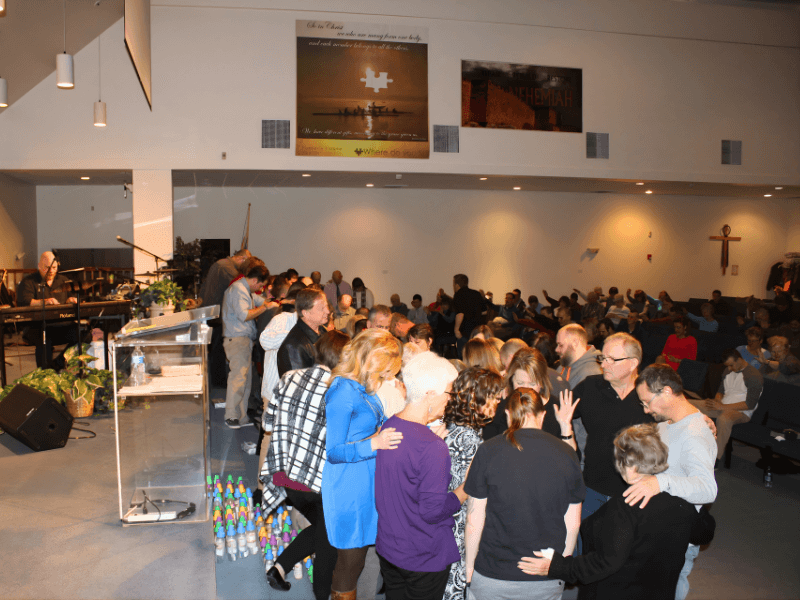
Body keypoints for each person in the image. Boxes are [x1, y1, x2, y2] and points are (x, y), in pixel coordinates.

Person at [519, 423, 698, 600]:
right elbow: (703, 533)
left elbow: (606, 562)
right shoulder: (682, 501)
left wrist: (557, 566)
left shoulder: (624, 507)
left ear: (631, 466)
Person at [464, 388, 585, 600]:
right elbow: (573, 523)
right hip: (544, 574)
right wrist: (561, 566)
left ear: (508, 414)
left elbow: (474, 519)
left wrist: (470, 568)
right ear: (543, 415)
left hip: (493, 572)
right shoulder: (568, 454)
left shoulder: (488, 450)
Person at [260, 330, 350, 599]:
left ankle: (279, 567)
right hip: (319, 483)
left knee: (324, 530)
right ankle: (321, 594)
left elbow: (266, 424)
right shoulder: (340, 391)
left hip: (286, 478)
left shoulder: (289, 377)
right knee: (329, 540)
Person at [375, 352, 468, 600]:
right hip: (422, 554)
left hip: (390, 546)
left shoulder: (390, 425)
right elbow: (433, 511)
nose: (450, 400)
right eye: (448, 393)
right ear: (430, 394)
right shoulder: (432, 448)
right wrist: (465, 489)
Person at [322, 328, 404, 600]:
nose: (388, 376)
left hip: (367, 477)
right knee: (350, 561)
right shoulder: (342, 391)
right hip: (348, 483)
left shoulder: (362, 387)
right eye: (386, 370)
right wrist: (375, 444)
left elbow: (371, 427)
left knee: (362, 554)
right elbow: (334, 451)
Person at [625, 364, 717, 600]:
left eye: (646, 402)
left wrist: (660, 482)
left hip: (679, 537)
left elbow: (707, 490)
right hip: (662, 527)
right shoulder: (668, 421)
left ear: (666, 392)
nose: (645, 410)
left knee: (671, 590)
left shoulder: (695, 433)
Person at [441, 367, 504, 600]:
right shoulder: (471, 440)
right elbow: (466, 491)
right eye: (494, 397)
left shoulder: (450, 426)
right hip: (456, 528)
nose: (498, 402)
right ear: (475, 398)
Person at [484, 347, 578, 449]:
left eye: (532, 384)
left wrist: (566, 429)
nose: (526, 389)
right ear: (511, 380)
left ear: (542, 382)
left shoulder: (558, 409)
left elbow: (572, 457)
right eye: (520, 383)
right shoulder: (500, 409)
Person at [690, 348, 763, 467]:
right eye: (727, 366)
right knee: (688, 403)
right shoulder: (727, 370)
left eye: (731, 365)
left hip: (742, 412)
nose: (729, 368)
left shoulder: (754, 375)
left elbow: (750, 404)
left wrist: (722, 406)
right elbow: (721, 391)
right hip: (722, 405)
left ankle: (716, 458)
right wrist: (717, 401)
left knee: (724, 419)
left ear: (739, 360)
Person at [221, 264, 269, 429]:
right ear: (255, 280)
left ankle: (241, 417)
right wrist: (264, 308)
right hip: (237, 339)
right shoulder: (238, 289)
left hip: (243, 340)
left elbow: (259, 300)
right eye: (260, 285)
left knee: (245, 380)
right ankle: (231, 415)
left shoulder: (245, 289)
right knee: (238, 379)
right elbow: (244, 315)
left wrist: (273, 302)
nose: (260, 289)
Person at [199, 249, 252, 387]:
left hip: (212, 311)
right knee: (218, 350)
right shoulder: (226, 267)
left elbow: (204, 286)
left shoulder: (220, 264)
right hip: (217, 313)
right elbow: (242, 284)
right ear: (242, 259)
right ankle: (219, 383)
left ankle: (217, 381)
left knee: (216, 350)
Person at [17, 251, 78, 368]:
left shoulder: (63, 280)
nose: (51, 271)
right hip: (37, 326)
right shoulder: (29, 281)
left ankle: (58, 364)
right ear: (39, 266)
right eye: (47, 268)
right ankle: (45, 372)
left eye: (54, 268)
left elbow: (71, 297)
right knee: (44, 338)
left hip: (61, 324)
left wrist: (70, 300)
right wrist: (45, 301)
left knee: (83, 334)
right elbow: (24, 302)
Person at [277, 288, 330, 377]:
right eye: (321, 308)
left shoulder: (323, 332)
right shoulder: (294, 346)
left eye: (327, 306)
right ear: (306, 313)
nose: (328, 311)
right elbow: (298, 386)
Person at [453, 274, 486, 357]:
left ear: (457, 285)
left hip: (464, 331)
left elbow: (460, 313)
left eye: (453, 284)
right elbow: (484, 312)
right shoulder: (477, 294)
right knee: (475, 355)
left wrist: (456, 330)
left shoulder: (458, 295)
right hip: (477, 330)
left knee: (464, 355)